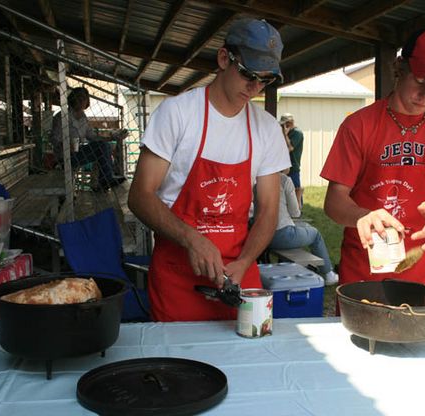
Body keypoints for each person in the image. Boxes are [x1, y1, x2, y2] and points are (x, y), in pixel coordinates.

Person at [128, 18, 290, 322]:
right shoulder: (177, 113)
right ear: (223, 58)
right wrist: (193, 239)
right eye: (248, 75)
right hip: (178, 276)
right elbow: (139, 196)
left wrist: (244, 262)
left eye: (265, 80)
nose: (255, 87)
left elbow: (269, 210)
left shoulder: (266, 129)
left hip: (238, 273)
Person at [320, 27, 425, 289]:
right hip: (364, 271)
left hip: (422, 271)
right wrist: (362, 216)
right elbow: (334, 202)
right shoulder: (360, 124)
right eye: (420, 79)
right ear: (400, 66)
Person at [269, 170, 339, 285]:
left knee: (304, 227)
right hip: (281, 235)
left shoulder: (260, 178)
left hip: (263, 236)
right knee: (315, 234)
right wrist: (299, 194)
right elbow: (295, 213)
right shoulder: (284, 179)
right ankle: (328, 273)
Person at [50, 87, 126, 191]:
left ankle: (105, 179)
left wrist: (111, 137)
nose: (82, 101)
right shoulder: (61, 116)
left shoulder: (83, 117)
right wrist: (65, 145)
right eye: (79, 98)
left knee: (103, 146)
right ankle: (105, 180)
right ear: (72, 99)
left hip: (77, 153)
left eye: (84, 99)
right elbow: (54, 139)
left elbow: (91, 136)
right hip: (64, 155)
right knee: (101, 148)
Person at [279, 113, 304, 208]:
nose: (285, 126)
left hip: (293, 165)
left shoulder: (297, 133)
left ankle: (298, 208)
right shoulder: (282, 132)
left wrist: (285, 135)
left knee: (296, 189)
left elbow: (290, 148)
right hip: (283, 166)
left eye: (287, 124)